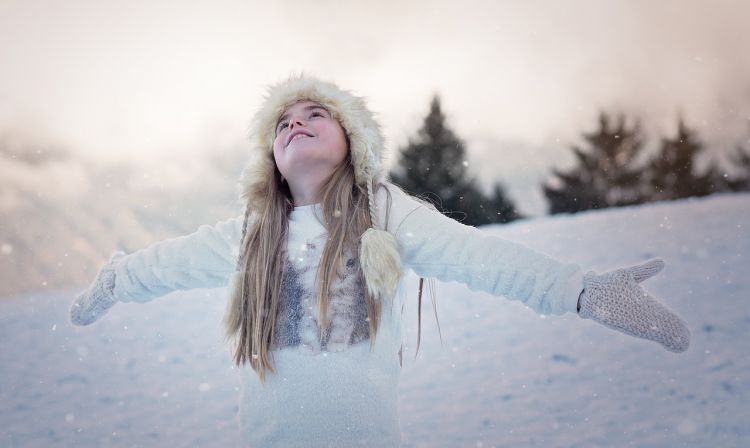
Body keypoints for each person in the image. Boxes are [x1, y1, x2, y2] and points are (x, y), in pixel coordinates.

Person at [69, 74, 691, 447]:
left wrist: (582, 290)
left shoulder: (387, 215)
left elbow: (479, 257)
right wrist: (118, 278)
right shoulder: (252, 236)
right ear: (270, 156)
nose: (296, 124)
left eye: (316, 115)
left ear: (353, 143)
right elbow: (168, 264)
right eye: (283, 122)